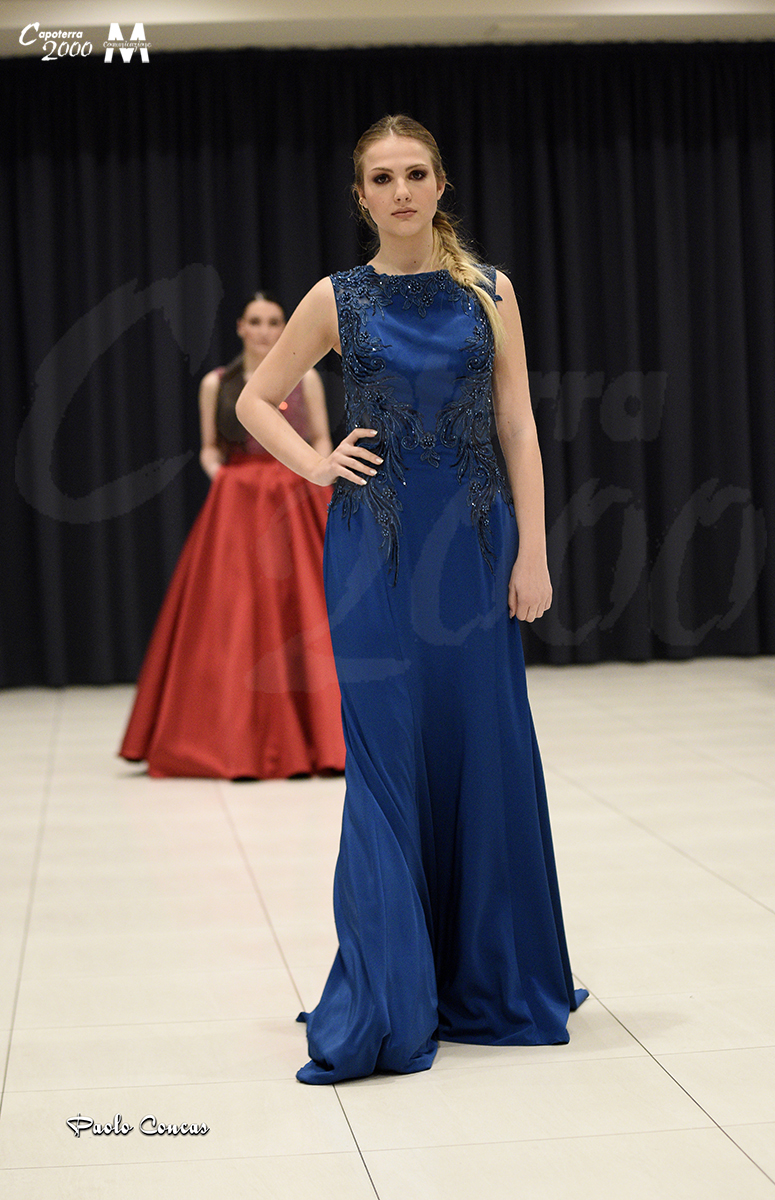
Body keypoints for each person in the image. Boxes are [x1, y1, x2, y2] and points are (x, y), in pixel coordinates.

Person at [236, 116, 587, 1084]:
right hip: (374, 552)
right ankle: (392, 990)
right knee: (388, 758)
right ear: (361, 196)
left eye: (415, 173)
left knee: (484, 748)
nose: (400, 191)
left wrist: (534, 552)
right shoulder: (334, 297)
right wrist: (316, 463)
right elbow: (256, 400)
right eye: (382, 178)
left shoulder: (490, 291)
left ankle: (486, 973)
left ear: (440, 185)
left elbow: (517, 424)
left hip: (474, 548)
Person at [119, 292, 345, 779]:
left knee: (307, 605)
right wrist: (221, 477)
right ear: (241, 327)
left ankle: (322, 736)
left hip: (295, 498)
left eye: (274, 322)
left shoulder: (305, 379)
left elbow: (321, 439)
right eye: (256, 322)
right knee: (236, 612)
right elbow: (209, 447)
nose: (265, 331)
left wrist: (319, 474)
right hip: (239, 503)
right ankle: (231, 735)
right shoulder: (217, 383)